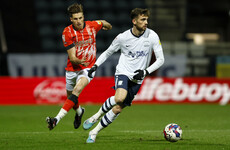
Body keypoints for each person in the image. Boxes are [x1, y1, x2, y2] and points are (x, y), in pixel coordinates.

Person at [83, 8, 165, 143]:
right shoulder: (123, 37)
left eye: (147, 20)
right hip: (123, 72)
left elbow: (161, 59)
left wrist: (145, 72)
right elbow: (108, 52)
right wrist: (95, 66)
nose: (146, 22)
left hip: (138, 78)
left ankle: (94, 132)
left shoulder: (152, 36)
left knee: (118, 108)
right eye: (142, 20)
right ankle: (96, 116)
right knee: (119, 97)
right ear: (134, 21)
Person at [46, 3, 112, 130]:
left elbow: (103, 22)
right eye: (75, 19)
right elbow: (72, 59)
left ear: (83, 17)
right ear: (71, 19)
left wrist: (107, 26)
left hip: (88, 68)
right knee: (71, 98)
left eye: (80, 18)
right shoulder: (67, 32)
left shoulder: (92, 26)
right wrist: (80, 60)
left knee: (76, 91)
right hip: (73, 68)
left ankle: (56, 120)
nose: (79, 21)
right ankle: (79, 112)